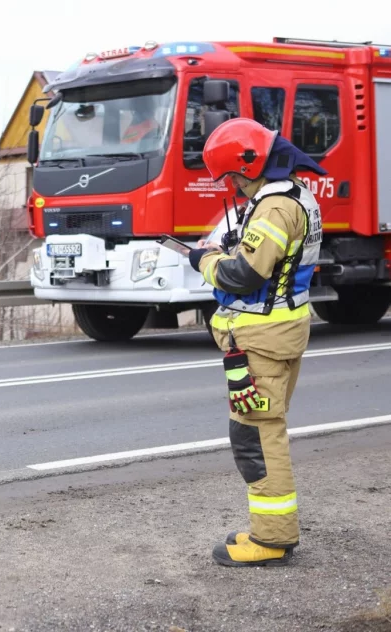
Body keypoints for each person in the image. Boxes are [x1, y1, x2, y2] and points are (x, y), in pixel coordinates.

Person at [187, 118, 324, 567]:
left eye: (232, 177)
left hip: (262, 338)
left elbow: (243, 275)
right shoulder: (296, 195)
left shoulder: (274, 208)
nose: (233, 186)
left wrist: (205, 260)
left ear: (248, 166)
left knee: (257, 438)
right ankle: (273, 532)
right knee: (265, 431)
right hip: (280, 332)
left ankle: (271, 539)